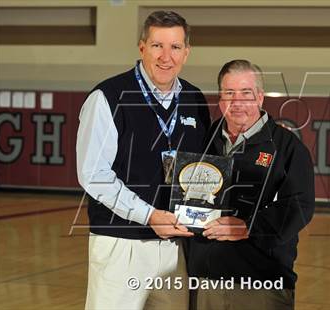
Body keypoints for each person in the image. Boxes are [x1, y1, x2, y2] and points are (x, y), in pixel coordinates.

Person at [76, 11, 210, 310]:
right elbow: (93, 174)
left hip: (176, 247)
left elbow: (205, 168)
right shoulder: (107, 97)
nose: (166, 56)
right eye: (156, 46)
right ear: (141, 47)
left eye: (175, 47)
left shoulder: (195, 98)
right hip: (121, 245)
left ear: (186, 52)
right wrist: (148, 215)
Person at [188, 60, 315, 310]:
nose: (237, 103)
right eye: (229, 93)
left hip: (261, 284)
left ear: (259, 97)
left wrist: (249, 227)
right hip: (205, 281)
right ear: (220, 99)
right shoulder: (203, 141)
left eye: (245, 93)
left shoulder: (287, 147)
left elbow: (300, 205)